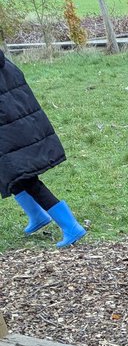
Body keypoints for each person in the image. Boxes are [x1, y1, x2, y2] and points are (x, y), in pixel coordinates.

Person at [0, 48, 86, 247]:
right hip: (17, 126)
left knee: (26, 178)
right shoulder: (6, 64)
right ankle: (37, 215)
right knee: (10, 175)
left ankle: (71, 226)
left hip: (9, 131)